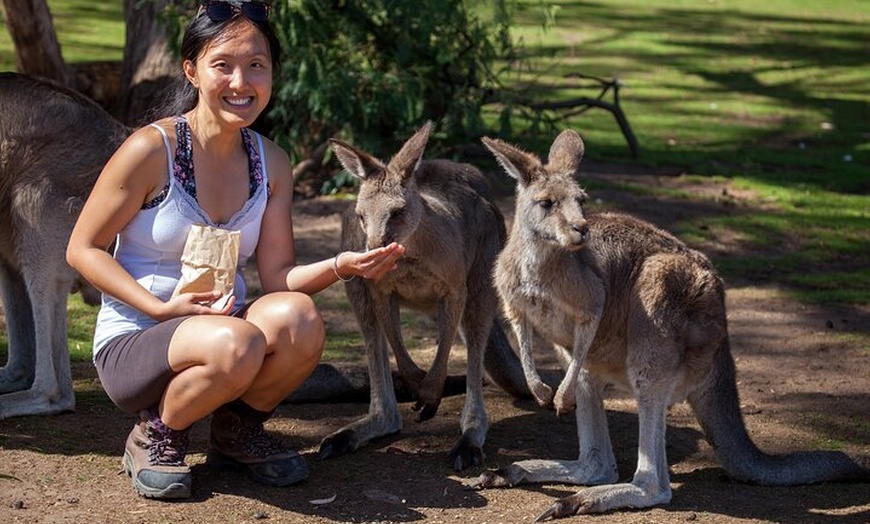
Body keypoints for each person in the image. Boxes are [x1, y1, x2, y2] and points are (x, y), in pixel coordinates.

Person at [66, 0, 404, 500]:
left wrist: (341, 266)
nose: (241, 82)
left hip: (224, 336)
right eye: (222, 65)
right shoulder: (150, 149)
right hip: (138, 339)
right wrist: (159, 306)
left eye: (256, 66)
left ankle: (236, 431)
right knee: (238, 342)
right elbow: (82, 249)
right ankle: (157, 432)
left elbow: (279, 276)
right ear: (193, 71)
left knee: (301, 319)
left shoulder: (272, 162)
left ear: (271, 74)